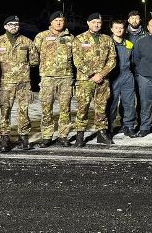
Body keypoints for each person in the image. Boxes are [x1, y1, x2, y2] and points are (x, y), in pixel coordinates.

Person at [0, 15, 39, 152]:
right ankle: (5, 138)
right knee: (5, 112)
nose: (14, 27)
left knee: (24, 111)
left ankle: (23, 138)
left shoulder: (27, 42)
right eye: (11, 24)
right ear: (5, 26)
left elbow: (34, 61)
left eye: (16, 25)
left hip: (23, 83)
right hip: (4, 83)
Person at [72, 13, 117, 146]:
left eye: (98, 22)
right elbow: (77, 60)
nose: (96, 24)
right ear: (88, 23)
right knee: (82, 107)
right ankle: (80, 134)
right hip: (85, 80)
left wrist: (101, 74)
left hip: (103, 80)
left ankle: (101, 133)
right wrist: (92, 75)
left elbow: (112, 60)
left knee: (101, 108)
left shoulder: (107, 39)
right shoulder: (79, 39)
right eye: (93, 22)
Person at [34, 11, 75, 147]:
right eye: (56, 20)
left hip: (66, 78)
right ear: (50, 22)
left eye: (61, 20)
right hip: (48, 77)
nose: (58, 23)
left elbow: (77, 57)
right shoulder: (42, 36)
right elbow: (34, 56)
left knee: (65, 108)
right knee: (46, 108)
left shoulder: (71, 38)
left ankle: (63, 136)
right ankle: (46, 136)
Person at [107, 18, 137, 138]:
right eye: (116, 28)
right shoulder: (107, 43)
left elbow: (134, 61)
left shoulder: (129, 44)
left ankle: (128, 126)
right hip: (113, 77)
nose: (119, 30)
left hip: (127, 76)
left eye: (121, 28)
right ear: (111, 29)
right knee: (112, 104)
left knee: (129, 103)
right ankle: (109, 128)